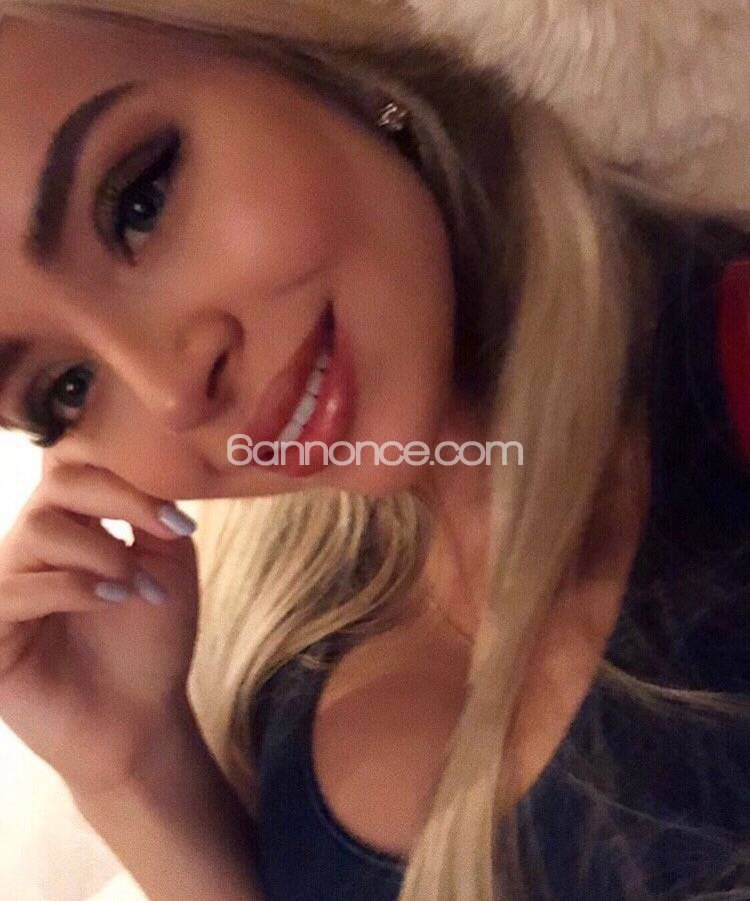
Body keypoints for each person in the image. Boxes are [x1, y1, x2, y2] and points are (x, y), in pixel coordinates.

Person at [0, 2, 748, 899]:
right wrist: (132, 771)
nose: (169, 390)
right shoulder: (286, 628)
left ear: (307, 54)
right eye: (67, 388)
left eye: (139, 203)